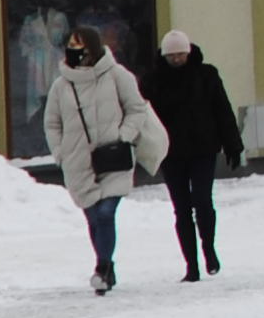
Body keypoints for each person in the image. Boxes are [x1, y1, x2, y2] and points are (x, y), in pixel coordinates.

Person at [41, 26, 161, 295]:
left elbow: (136, 108)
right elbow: (52, 122)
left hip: (113, 157)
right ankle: (107, 266)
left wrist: (124, 136)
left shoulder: (117, 75)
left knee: (106, 214)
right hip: (78, 162)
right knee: (94, 218)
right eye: (70, 45)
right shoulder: (61, 86)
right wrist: (60, 152)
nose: (74, 51)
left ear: (92, 48)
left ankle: (102, 268)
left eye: (79, 45)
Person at [138, 27, 244, 281]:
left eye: (181, 55)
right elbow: (142, 118)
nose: (176, 60)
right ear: (164, 56)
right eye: (171, 56)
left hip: (203, 149)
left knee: (203, 202)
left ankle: (208, 248)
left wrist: (233, 145)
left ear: (189, 52)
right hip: (170, 154)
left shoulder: (206, 75)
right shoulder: (153, 81)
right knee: (181, 209)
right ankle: (191, 266)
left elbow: (222, 110)